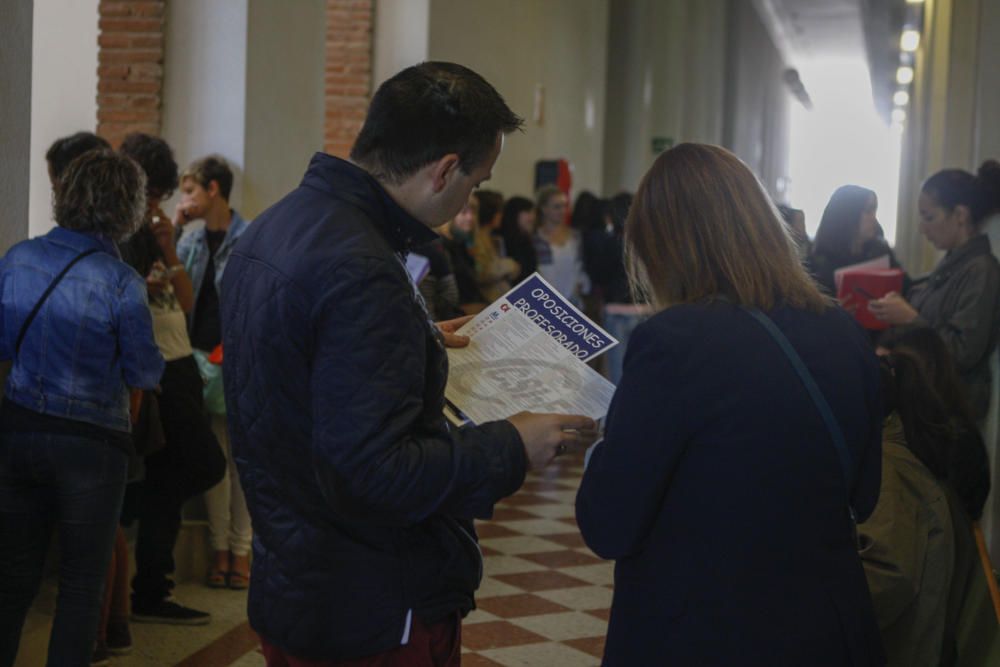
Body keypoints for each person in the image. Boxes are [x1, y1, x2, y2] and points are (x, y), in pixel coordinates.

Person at [221, 61, 596, 665]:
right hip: (369, 601)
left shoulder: (277, 226)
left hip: (294, 577)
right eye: (475, 182)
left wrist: (416, 336)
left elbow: (304, 372)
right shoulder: (364, 266)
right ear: (445, 169)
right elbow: (376, 474)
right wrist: (512, 445)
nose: (470, 196)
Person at [576, 143, 885, 665]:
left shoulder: (676, 341)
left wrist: (596, 448)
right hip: (827, 625)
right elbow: (865, 492)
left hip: (707, 631)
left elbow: (608, 522)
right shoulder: (842, 331)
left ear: (665, 246)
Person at [0, 149, 163, 666]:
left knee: (10, 582)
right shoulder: (123, 284)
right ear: (128, 208)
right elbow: (145, 373)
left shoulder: (18, 258)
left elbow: (4, 347)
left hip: (20, 431)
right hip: (93, 447)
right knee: (78, 589)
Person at [117, 134, 226, 625]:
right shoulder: (119, 233)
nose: (158, 203)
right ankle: (148, 586)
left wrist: (169, 246)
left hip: (179, 360)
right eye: (154, 192)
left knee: (184, 471)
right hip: (156, 368)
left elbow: (183, 299)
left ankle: (150, 589)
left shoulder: (155, 231)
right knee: (201, 464)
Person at [173, 155, 253, 590]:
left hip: (236, 361)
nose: (185, 199)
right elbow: (174, 287)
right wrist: (175, 225)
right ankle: (219, 548)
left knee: (241, 461)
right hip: (199, 360)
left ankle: (241, 552)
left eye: (190, 191)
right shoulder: (190, 240)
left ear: (213, 189)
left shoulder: (248, 237)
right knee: (214, 461)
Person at [869, 168, 1000, 420]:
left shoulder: (982, 270)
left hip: (949, 415)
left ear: (960, 215)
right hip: (926, 402)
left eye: (928, 217)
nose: (921, 228)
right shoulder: (952, 265)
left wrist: (910, 319)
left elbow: (963, 352)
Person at [807, 185, 903, 295]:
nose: (874, 219)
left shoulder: (881, 251)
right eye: (868, 211)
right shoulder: (818, 264)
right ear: (848, 215)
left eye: (874, 211)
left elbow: (905, 287)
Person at [534, 185, 589, 305]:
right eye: (557, 207)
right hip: (544, 302)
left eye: (565, 206)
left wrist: (580, 284)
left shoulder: (575, 236)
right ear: (544, 209)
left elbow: (580, 267)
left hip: (572, 301)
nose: (563, 211)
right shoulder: (535, 238)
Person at [498, 195, 538, 284]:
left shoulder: (527, 240)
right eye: (528, 212)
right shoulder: (499, 239)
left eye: (533, 212)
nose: (533, 217)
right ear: (514, 213)